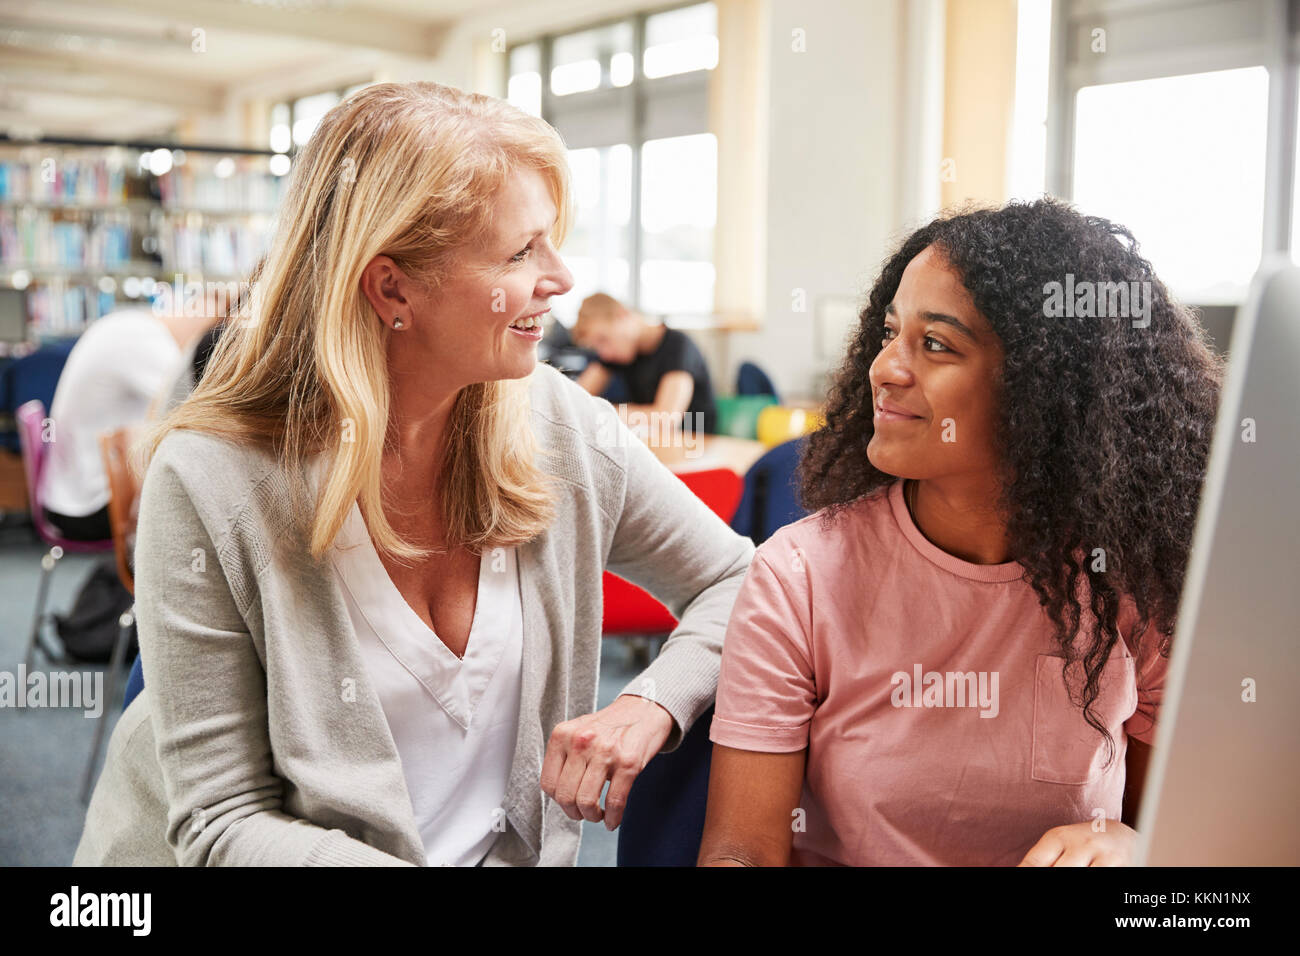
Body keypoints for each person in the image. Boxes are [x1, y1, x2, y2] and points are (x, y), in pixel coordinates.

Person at [74, 81, 753, 867]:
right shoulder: (212, 481)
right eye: (521, 251)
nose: (561, 278)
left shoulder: (560, 426)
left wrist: (649, 700)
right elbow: (222, 823)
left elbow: (739, 581)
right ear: (392, 287)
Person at [697, 199, 1224, 866]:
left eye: (937, 344)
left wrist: (1133, 844)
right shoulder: (799, 576)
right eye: (890, 333)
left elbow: (1187, 844)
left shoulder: (1135, 584)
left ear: (1045, 390)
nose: (885, 368)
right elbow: (740, 851)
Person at [40, 307, 214, 541]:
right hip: (87, 508)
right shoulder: (143, 339)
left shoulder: (130, 324)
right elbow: (193, 407)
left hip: (68, 495)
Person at [572, 292, 718, 434]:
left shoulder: (678, 345)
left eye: (603, 339)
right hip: (655, 443)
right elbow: (574, 401)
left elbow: (666, 419)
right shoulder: (620, 353)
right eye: (596, 347)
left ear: (622, 316)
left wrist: (598, 412)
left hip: (694, 444)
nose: (604, 353)